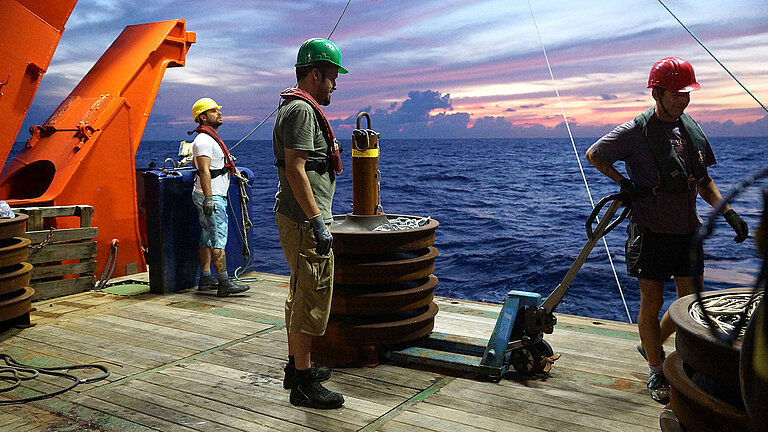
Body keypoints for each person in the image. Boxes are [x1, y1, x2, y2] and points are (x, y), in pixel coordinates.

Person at [585, 57, 749, 404]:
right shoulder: (633, 132)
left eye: (686, 93)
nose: (682, 100)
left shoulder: (691, 131)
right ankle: (657, 369)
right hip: (651, 230)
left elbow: (703, 182)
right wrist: (624, 183)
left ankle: (651, 346)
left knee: (690, 303)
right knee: (653, 301)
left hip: (687, 230)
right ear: (656, 92)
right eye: (675, 94)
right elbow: (595, 154)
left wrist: (730, 213)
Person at [272, 38, 347, 409]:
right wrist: (318, 222)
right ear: (315, 74)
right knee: (311, 296)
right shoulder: (302, 111)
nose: (335, 84)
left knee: (300, 291)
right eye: (332, 76)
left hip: (296, 217)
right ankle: (302, 383)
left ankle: (296, 366)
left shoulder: (292, 106)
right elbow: (296, 167)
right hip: (305, 220)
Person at [190, 97, 250, 297]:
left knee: (207, 237)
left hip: (208, 195)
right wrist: (209, 198)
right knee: (218, 239)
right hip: (212, 197)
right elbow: (204, 171)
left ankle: (206, 278)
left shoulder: (205, 139)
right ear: (203, 117)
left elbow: (196, 166)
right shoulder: (204, 141)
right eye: (214, 111)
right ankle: (224, 283)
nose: (219, 113)